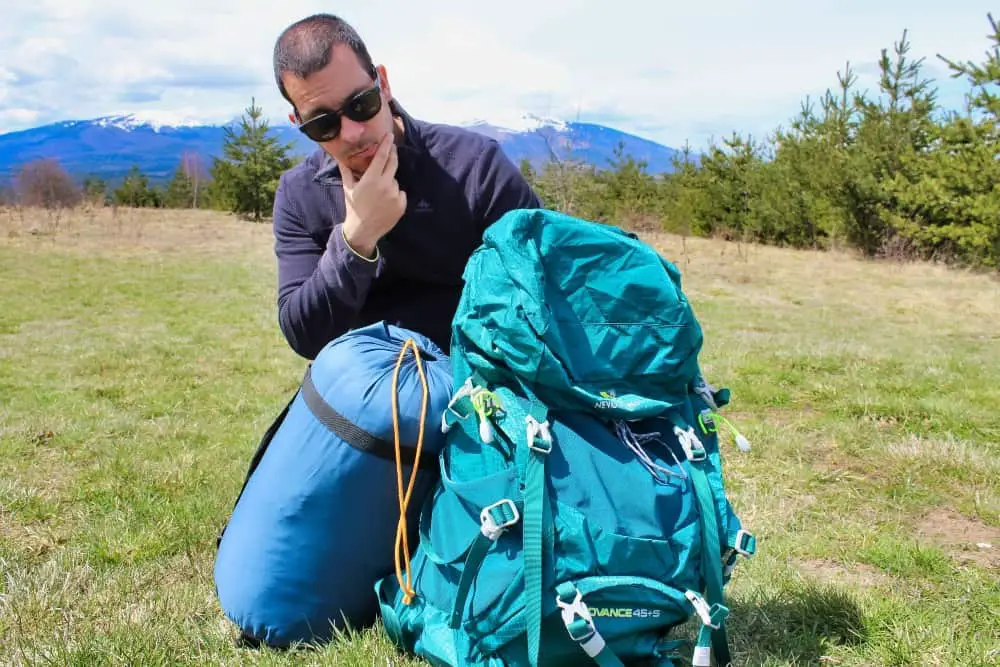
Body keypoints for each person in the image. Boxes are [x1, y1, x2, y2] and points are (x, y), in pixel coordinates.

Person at [270, 13, 542, 360]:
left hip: (481, 372)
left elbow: (539, 283)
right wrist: (356, 240)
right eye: (323, 124)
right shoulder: (299, 194)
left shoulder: (474, 165)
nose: (352, 133)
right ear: (299, 123)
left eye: (361, 105)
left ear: (382, 83)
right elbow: (304, 337)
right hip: (370, 387)